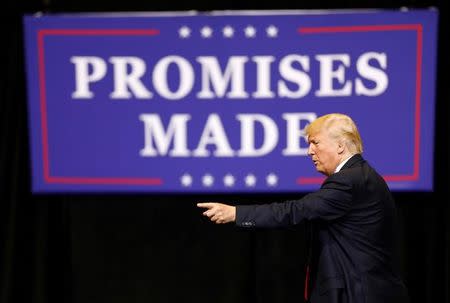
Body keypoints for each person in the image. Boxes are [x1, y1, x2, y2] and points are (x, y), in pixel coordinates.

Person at [197, 113, 409, 303]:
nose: (309, 152)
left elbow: (296, 211)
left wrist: (236, 213)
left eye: (315, 143)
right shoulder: (365, 176)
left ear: (340, 146)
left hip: (357, 293)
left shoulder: (347, 181)